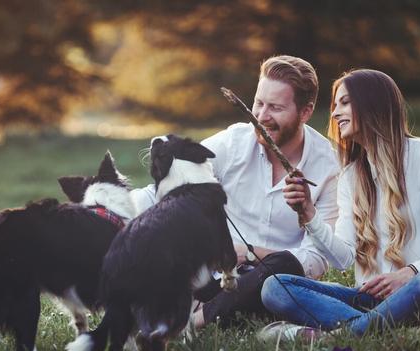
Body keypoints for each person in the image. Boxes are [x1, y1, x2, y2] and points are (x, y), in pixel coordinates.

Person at [131, 55, 340, 328]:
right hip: (213, 277)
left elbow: (316, 259)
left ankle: (195, 321)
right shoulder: (234, 141)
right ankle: (218, 314)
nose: (262, 117)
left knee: (284, 269)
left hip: (271, 283)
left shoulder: (330, 167)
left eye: (275, 107)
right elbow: (170, 188)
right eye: (258, 103)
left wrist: (248, 252)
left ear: (305, 111)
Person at [260, 69, 420, 339]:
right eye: (335, 105)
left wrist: (409, 273)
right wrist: (310, 214)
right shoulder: (350, 176)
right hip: (374, 300)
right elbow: (343, 258)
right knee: (275, 287)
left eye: (344, 102)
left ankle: (339, 335)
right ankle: (386, 331)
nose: (334, 113)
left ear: (373, 102)